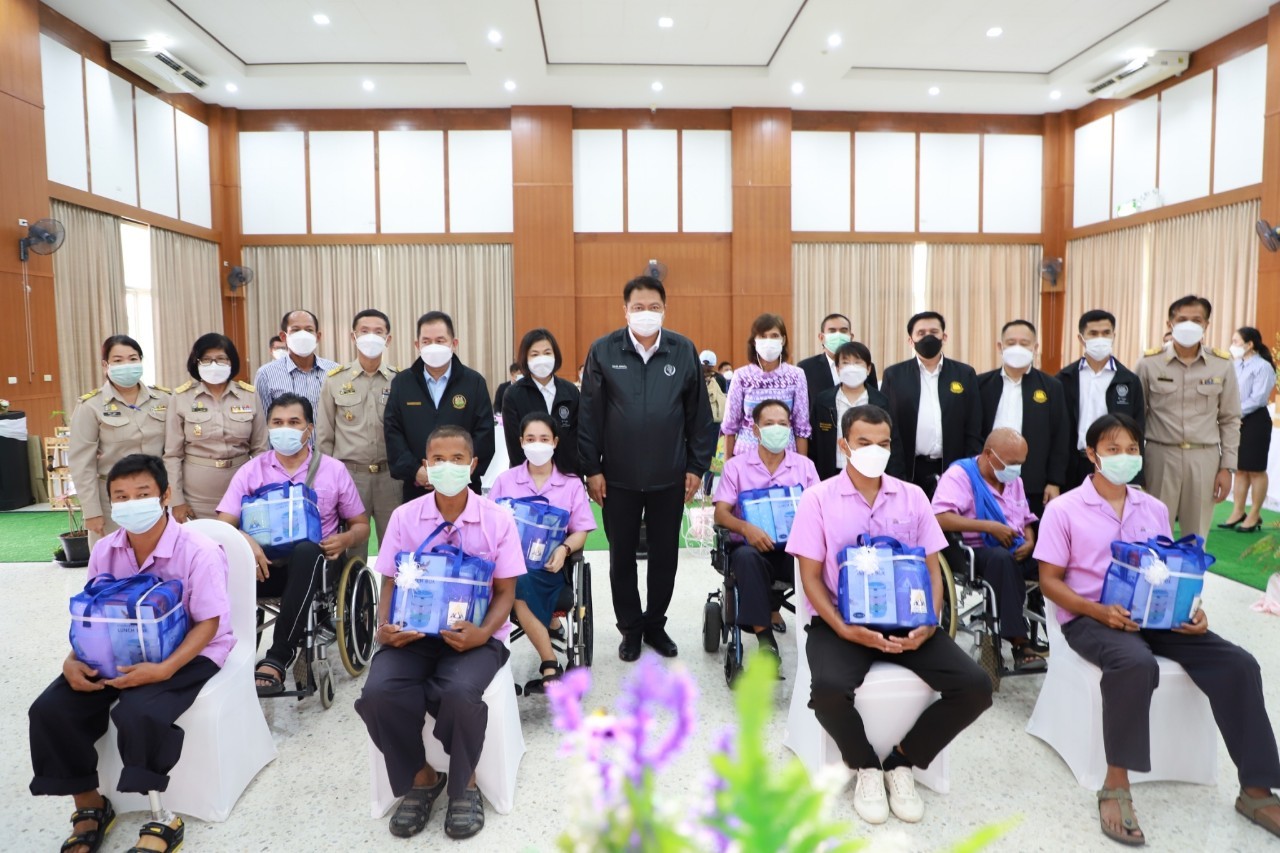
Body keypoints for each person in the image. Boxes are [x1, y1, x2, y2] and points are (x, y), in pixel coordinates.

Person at [1034, 412, 1280, 844]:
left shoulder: (1154, 508)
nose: (1125, 457)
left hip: (1158, 616)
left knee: (1239, 664)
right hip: (1091, 617)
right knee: (1135, 663)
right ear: (1092, 454)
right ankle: (1116, 783)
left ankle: (1256, 790)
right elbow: (1049, 582)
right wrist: (1098, 611)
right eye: (1113, 449)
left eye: (1132, 449)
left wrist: (1194, 611)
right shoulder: (1064, 509)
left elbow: (1171, 568)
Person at [786, 404, 993, 826]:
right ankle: (864, 764)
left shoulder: (913, 496)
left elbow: (933, 570)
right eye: (864, 442)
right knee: (827, 691)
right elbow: (809, 578)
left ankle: (902, 761)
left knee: (975, 687)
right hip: (840, 623)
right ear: (844, 445)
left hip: (909, 622)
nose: (875, 451)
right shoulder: (817, 499)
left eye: (883, 443)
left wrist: (930, 622)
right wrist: (844, 629)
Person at [29, 454, 234, 853]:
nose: (131, 503)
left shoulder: (200, 550)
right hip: (116, 650)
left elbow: (209, 623)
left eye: (142, 494)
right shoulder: (106, 549)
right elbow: (93, 617)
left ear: (165, 496)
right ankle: (90, 805)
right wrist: (72, 660)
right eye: (121, 497)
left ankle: (162, 817)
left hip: (189, 650)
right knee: (50, 709)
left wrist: (164, 670)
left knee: (139, 712)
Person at [355, 426, 525, 841]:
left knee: (458, 692)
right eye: (438, 460)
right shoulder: (405, 517)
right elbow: (390, 581)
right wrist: (383, 628)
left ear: (473, 465)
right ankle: (422, 776)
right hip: (412, 637)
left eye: (457, 459)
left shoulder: (497, 519)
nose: (447, 467)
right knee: (378, 693)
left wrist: (483, 634)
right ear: (425, 466)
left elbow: (506, 592)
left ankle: (464, 783)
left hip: (474, 639)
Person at [579, 275, 714, 662]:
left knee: (664, 556)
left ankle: (655, 623)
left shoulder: (682, 350)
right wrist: (592, 469)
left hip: (669, 476)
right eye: (638, 307)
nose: (646, 313)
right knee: (621, 557)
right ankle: (631, 628)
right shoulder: (603, 351)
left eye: (654, 307)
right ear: (625, 311)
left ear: (664, 310)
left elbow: (699, 416)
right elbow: (589, 415)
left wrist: (696, 466)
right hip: (617, 478)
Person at [215, 393, 369, 696]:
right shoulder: (251, 471)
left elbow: (361, 524)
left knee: (306, 550)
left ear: (309, 429)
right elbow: (223, 525)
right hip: (263, 567)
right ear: (269, 428)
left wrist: (346, 539)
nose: (284, 428)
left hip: (318, 566)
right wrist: (247, 540)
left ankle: (278, 657)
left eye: (294, 422)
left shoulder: (333, 470)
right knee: (224, 560)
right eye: (277, 422)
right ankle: (226, 656)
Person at [489, 412, 595, 692]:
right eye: (531, 438)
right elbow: (488, 527)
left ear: (555, 442)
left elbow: (581, 530)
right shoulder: (505, 481)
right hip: (507, 570)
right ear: (521, 442)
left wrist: (564, 548)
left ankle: (549, 663)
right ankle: (550, 658)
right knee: (514, 580)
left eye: (544, 439)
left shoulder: (571, 484)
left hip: (549, 568)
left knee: (518, 584)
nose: (537, 444)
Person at [932, 428, 1044, 672]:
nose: (1016, 469)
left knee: (1053, 557)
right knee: (1002, 561)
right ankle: (1019, 642)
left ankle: (1063, 628)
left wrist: (1030, 541)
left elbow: (1026, 518)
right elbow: (940, 517)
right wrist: (990, 527)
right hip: (977, 551)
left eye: (1020, 463)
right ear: (989, 455)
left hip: (1016, 547)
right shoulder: (960, 476)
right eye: (1011, 463)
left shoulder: (1014, 480)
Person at [713, 399, 819, 653]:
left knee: (815, 561)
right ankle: (765, 641)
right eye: (769, 424)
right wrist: (746, 528)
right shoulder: (736, 467)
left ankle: (819, 634)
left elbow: (820, 512)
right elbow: (720, 514)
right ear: (756, 430)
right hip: (752, 550)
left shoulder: (804, 467)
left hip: (793, 551)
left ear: (790, 427)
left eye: (782, 424)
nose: (777, 429)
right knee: (746, 558)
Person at [1136, 295, 1241, 541]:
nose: (1189, 325)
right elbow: (1135, 418)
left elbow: (1230, 419)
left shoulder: (1222, 364)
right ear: (1170, 323)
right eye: (1182, 319)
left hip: (1204, 458)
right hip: (1160, 456)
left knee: (1196, 536)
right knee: (1155, 533)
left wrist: (1227, 467)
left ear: (1206, 325)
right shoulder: (1149, 363)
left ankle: (1192, 569)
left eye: (1197, 320)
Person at [316, 309, 400, 563]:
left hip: (391, 478)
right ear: (353, 337)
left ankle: (392, 591)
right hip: (350, 477)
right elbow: (324, 437)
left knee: (396, 549)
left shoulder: (400, 380)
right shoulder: (335, 380)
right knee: (352, 552)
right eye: (364, 331)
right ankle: (355, 591)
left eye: (378, 332)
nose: (371, 337)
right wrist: (326, 480)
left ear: (388, 339)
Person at [69, 335, 170, 544]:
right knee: (113, 556)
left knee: (161, 554)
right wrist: (92, 511)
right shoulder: (90, 405)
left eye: (133, 359)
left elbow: (174, 451)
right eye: (118, 360)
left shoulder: (164, 399)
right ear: (105, 365)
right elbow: (82, 464)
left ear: (141, 361)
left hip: (155, 494)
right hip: (113, 498)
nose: (126, 365)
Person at [385, 311, 495, 502]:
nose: (433, 346)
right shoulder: (402, 383)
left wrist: (457, 473)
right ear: (417, 345)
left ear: (454, 343)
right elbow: (393, 432)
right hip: (417, 488)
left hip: (464, 487)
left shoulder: (474, 382)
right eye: (426, 342)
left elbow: (484, 434)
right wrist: (415, 471)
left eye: (440, 340)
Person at [164, 333, 267, 523]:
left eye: (221, 359)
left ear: (231, 362)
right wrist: (176, 501)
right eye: (206, 359)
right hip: (196, 496)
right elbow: (172, 455)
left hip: (242, 489)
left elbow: (261, 450)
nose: (214, 365)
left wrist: (261, 490)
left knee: (239, 540)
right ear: (196, 363)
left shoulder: (249, 396)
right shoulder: (181, 398)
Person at [880, 311, 983, 499]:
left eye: (934, 332)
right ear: (910, 340)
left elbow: (973, 426)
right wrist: (895, 472)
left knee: (949, 516)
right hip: (908, 469)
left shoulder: (964, 374)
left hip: (953, 469)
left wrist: (968, 469)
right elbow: (886, 425)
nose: (928, 337)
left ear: (944, 337)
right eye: (921, 333)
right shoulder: (894, 375)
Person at [976, 320, 1069, 517]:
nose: (1017, 348)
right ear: (1000, 346)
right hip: (986, 479)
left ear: (1035, 347)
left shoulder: (1052, 387)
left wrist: (1054, 481)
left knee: (1030, 533)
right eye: (1011, 343)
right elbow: (973, 432)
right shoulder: (981, 384)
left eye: (1024, 343)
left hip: (1034, 483)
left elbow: (1060, 437)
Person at [1056, 310, 1145, 489]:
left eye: (1106, 333)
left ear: (1113, 336)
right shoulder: (1064, 379)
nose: (1100, 338)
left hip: (1113, 464)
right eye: (1093, 333)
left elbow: (1138, 430)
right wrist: (1054, 478)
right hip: (1073, 464)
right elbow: (1056, 429)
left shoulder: (1129, 380)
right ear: (1081, 338)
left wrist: (1135, 478)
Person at [721, 313, 811, 458]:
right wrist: (728, 465)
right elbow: (730, 427)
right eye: (763, 336)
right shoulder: (741, 376)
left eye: (774, 336)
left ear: (783, 340)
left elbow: (801, 427)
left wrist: (802, 465)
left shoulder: (796, 375)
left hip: (785, 456)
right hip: (746, 456)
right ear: (754, 341)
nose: (769, 341)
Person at [502, 328, 581, 476]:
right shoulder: (513, 394)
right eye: (535, 354)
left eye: (547, 353)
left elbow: (577, 439)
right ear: (525, 358)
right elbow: (514, 444)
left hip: (567, 474)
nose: (542, 359)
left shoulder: (571, 391)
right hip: (527, 477)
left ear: (555, 355)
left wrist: (569, 474)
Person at [1221, 326, 1277, 532]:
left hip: (1255, 420)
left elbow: (1258, 398)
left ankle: (1254, 514)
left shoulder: (1263, 367)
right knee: (1240, 469)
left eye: (1236, 342)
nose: (1232, 346)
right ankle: (1238, 511)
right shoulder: (1236, 364)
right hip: (1237, 419)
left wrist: (1235, 414)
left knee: (1255, 469)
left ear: (1250, 344)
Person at [810, 341, 888, 480]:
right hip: (831, 474)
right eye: (845, 363)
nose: (852, 368)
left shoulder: (881, 402)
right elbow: (814, 444)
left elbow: (892, 443)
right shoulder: (823, 401)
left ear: (868, 369)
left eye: (857, 363)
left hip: (870, 473)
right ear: (837, 369)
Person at [253, 309, 338, 415]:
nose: (303, 335)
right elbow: (263, 420)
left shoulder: (335, 371)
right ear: (283, 337)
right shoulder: (265, 374)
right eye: (296, 330)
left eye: (309, 330)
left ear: (318, 337)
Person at [797, 313, 881, 398]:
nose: (838, 335)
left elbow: (875, 399)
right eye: (832, 331)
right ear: (821, 337)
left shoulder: (864, 366)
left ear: (851, 337)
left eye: (843, 331)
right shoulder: (806, 367)